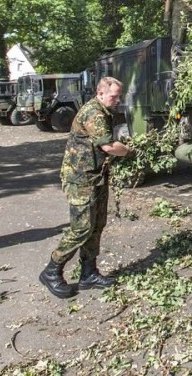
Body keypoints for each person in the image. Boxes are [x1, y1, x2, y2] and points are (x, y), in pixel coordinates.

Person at [39, 76, 133, 299]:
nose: (117, 100)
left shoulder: (103, 110)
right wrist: (130, 151)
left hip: (96, 177)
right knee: (81, 228)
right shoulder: (94, 112)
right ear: (100, 93)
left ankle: (88, 273)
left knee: (97, 225)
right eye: (114, 96)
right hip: (81, 179)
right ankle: (51, 271)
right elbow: (109, 146)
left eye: (119, 96)